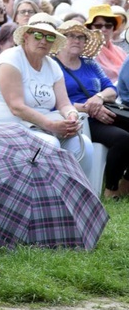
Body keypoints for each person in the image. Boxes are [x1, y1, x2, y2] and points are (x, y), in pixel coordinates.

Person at [0, 13, 93, 177]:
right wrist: (51, 126)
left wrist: (71, 116)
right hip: (8, 127)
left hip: (42, 126)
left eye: (49, 37)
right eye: (39, 35)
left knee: (84, 144)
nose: (43, 40)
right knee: (50, 144)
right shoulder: (10, 59)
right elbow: (16, 107)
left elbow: (64, 103)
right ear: (26, 36)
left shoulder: (52, 66)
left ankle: (81, 195)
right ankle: (47, 199)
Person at [54, 20, 129, 198]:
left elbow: (112, 88)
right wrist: (89, 108)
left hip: (103, 111)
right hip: (78, 118)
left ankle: (126, 181)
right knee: (123, 139)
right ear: (61, 39)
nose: (76, 40)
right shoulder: (52, 66)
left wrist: (99, 97)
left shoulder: (90, 64)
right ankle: (111, 189)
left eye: (81, 37)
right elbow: (54, 101)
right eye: (71, 36)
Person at [85, 4, 126, 83]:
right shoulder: (87, 52)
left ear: (113, 28)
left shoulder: (120, 51)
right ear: (90, 28)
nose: (103, 29)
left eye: (108, 26)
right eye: (98, 26)